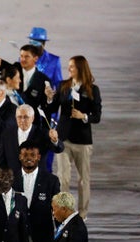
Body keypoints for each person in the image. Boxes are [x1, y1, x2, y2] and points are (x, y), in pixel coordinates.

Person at [45, 56, 102, 219]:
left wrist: (83, 116)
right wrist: (49, 97)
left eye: (72, 66)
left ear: (81, 68)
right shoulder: (63, 86)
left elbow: (97, 116)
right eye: (68, 66)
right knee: (63, 178)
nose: (69, 69)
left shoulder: (92, 89)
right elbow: (52, 108)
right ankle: (64, 213)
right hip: (63, 139)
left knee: (84, 179)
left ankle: (83, 214)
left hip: (82, 140)